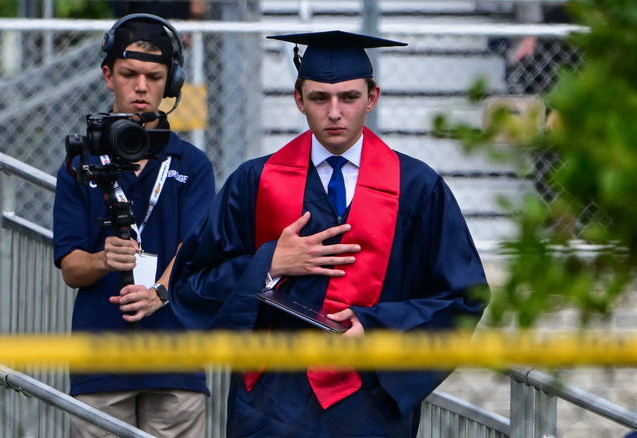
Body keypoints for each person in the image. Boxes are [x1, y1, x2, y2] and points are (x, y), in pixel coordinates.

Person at [169, 31, 490, 437]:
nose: (334, 112)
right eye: (320, 98)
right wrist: (268, 265)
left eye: (349, 98)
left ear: (372, 98)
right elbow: (188, 287)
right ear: (299, 100)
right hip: (270, 406)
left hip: (369, 403)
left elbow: (462, 298)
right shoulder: (255, 182)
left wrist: (374, 327)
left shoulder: (418, 189)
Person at [52, 14, 215, 438]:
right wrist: (104, 259)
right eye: (129, 74)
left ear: (171, 83)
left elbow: (195, 250)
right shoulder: (79, 163)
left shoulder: (193, 165)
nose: (141, 87)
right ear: (108, 76)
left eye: (154, 76)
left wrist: (159, 292)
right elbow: (70, 268)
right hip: (101, 364)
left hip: (175, 360)